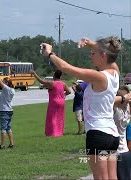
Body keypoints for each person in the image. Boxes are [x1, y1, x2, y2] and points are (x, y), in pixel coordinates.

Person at [40, 36, 121, 179]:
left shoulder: (99, 77)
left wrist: (50, 54)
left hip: (98, 134)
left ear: (103, 55)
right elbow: (110, 54)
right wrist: (91, 44)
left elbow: (66, 68)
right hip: (112, 136)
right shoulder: (115, 73)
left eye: (93, 53)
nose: (91, 55)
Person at [32, 70, 71, 137]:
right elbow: (69, 91)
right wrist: (64, 95)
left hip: (54, 102)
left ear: (54, 75)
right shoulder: (63, 84)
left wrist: (35, 74)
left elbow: (42, 82)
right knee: (60, 117)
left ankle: (52, 132)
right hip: (61, 102)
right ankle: (59, 132)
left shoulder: (52, 83)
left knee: (52, 117)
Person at [0, 72, 15, 149]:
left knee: (3, 128)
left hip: (4, 111)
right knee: (8, 128)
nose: (3, 83)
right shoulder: (12, 90)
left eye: (4, 82)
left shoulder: (6, 89)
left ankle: (2, 145)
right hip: (10, 110)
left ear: (7, 83)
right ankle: (11, 144)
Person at [113, 86, 131, 180]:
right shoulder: (127, 110)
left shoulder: (117, 112)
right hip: (125, 152)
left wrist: (122, 98)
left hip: (117, 153)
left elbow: (109, 101)